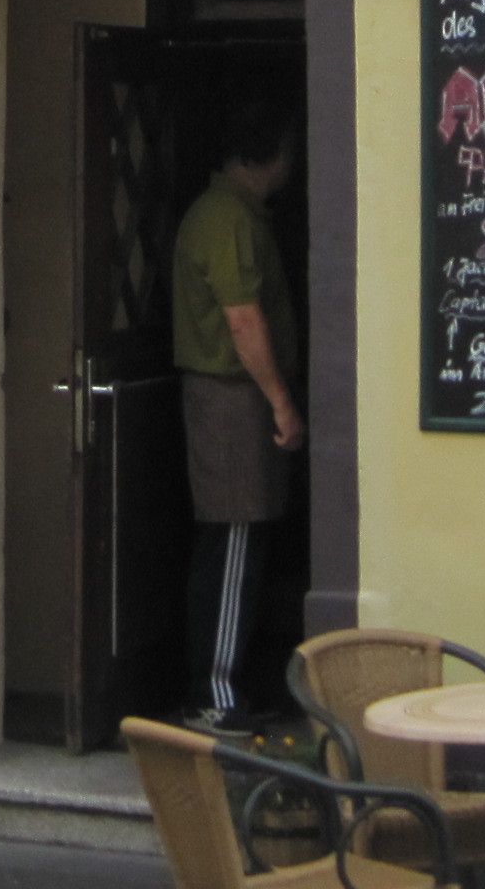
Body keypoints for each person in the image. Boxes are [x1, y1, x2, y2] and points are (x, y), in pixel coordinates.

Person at [170, 97, 302, 733]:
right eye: (289, 149)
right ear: (267, 153)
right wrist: (281, 402)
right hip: (231, 399)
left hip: (231, 395)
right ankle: (215, 695)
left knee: (236, 543)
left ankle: (227, 686)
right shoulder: (227, 219)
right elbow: (243, 319)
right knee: (234, 541)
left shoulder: (229, 212)